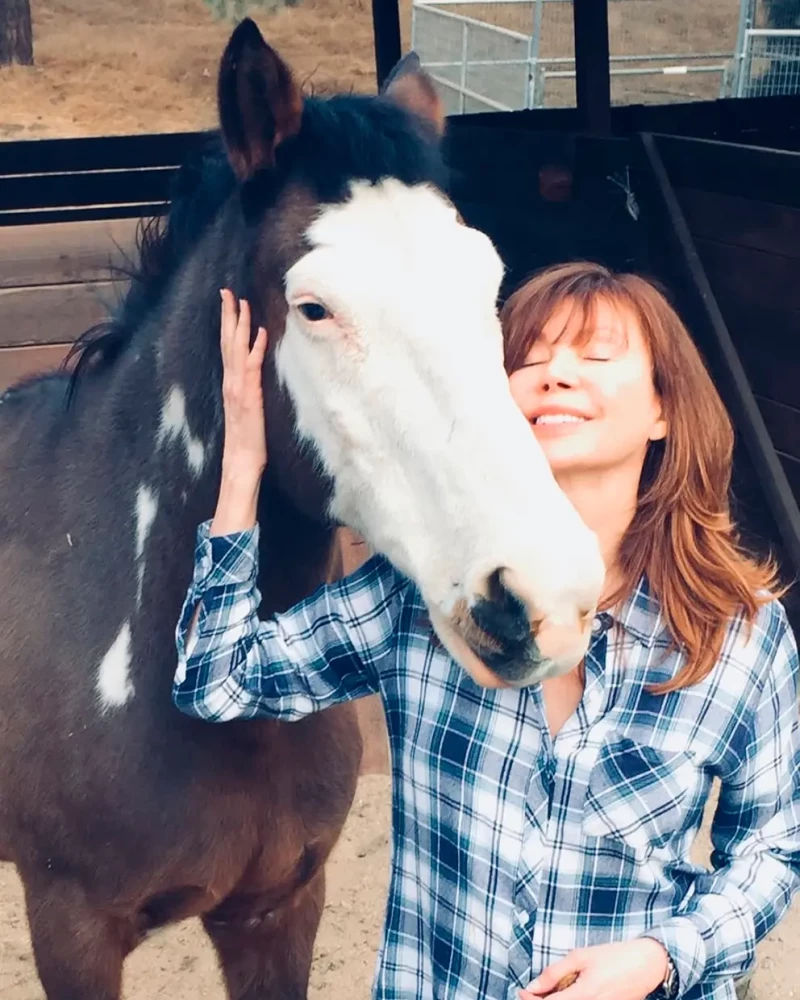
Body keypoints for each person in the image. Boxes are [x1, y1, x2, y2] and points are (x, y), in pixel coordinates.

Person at [173, 264, 800, 1000]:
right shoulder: (420, 601)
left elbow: (772, 848)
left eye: (596, 355)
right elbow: (215, 680)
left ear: (663, 407)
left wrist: (664, 954)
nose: (555, 375)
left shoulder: (741, 635)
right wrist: (243, 465)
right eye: (528, 360)